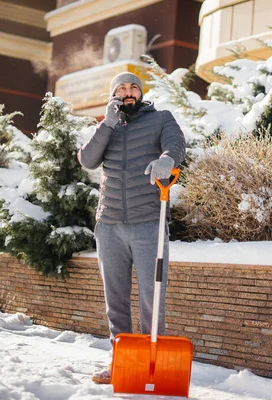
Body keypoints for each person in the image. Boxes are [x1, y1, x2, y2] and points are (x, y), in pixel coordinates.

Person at [77, 72, 186, 384]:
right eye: (121, 88)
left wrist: (167, 160)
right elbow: (87, 159)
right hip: (109, 225)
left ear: (140, 93)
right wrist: (106, 124)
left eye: (133, 87)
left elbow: (176, 143)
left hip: (148, 223)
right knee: (116, 302)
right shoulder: (108, 126)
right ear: (114, 95)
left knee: (152, 300)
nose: (128, 92)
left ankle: (153, 365)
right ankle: (121, 363)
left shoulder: (160, 118)